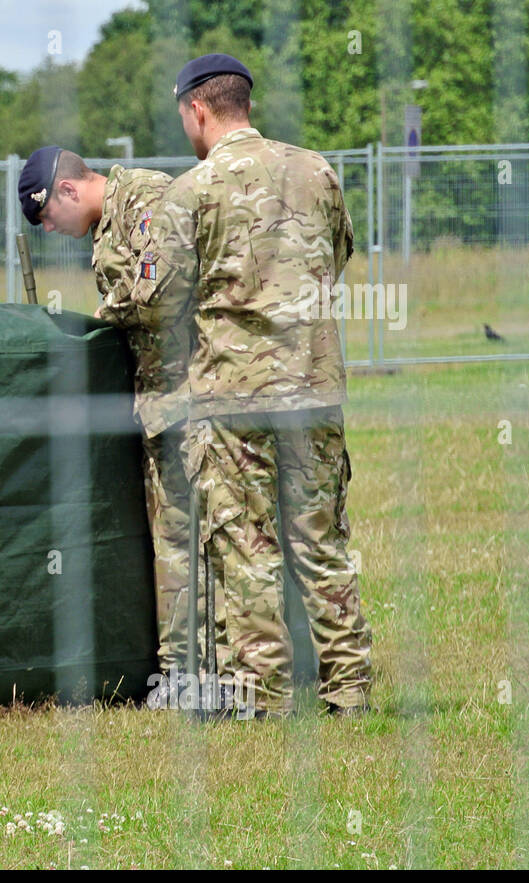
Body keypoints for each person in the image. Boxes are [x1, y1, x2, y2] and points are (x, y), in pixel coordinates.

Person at [140, 53, 373, 716]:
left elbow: (161, 297)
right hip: (314, 385)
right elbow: (339, 254)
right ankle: (349, 686)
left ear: (197, 110)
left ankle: (265, 694)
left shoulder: (192, 191)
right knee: (322, 536)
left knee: (247, 544)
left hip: (235, 396)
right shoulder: (316, 169)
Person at [17, 147, 213, 700]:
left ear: (68, 191)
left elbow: (164, 290)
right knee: (175, 536)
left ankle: (204, 671)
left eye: (48, 217)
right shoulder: (109, 224)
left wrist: (105, 316)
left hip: (193, 398)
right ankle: (182, 670)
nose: (51, 230)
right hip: (162, 404)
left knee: (198, 536)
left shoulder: (146, 198)